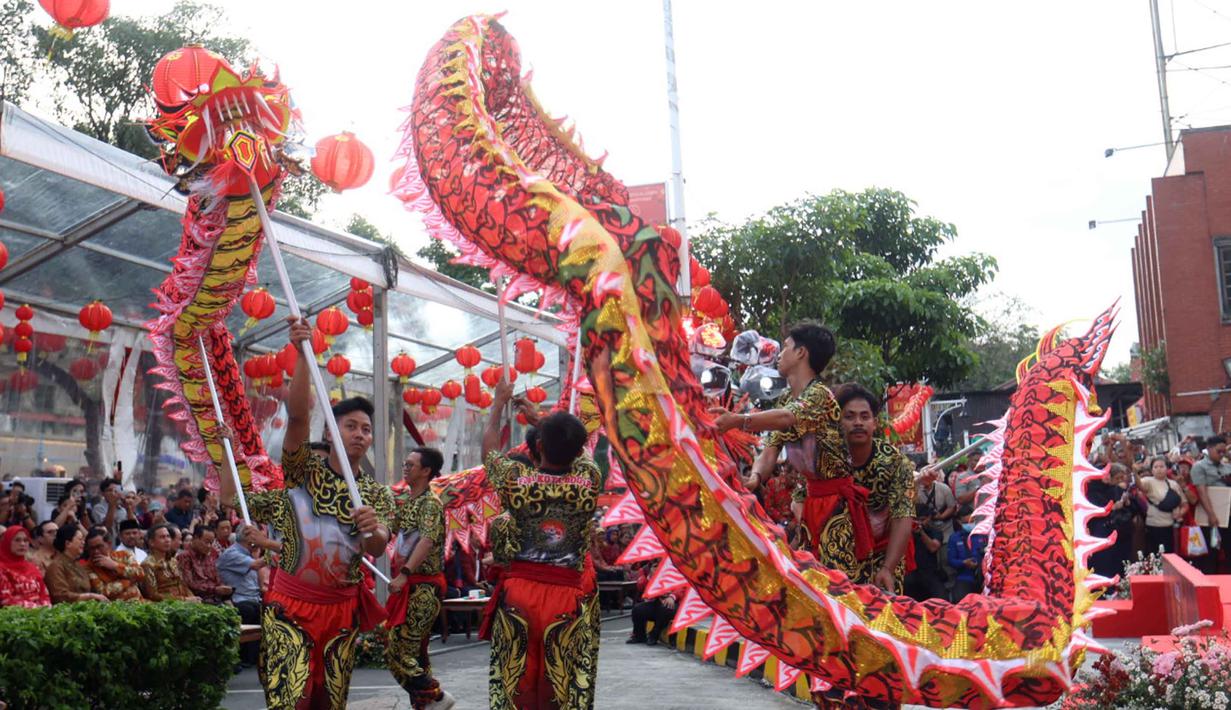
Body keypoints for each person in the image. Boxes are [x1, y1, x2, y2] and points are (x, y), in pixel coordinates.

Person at [217, 316, 393, 710]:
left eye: (366, 429)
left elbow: (379, 547)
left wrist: (373, 530)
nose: (360, 434)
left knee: (329, 703)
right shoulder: (303, 475)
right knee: (288, 700)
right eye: (351, 426)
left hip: (341, 611)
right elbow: (296, 419)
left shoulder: (375, 494)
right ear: (331, 432)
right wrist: (300, 353)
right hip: (290, 607)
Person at [481, 377, 601, 710]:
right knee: (562, 685)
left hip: (519, 591)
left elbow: (489, 451)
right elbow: (582, 451)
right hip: (566, 595)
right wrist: (540, 421)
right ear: (578, 451)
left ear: (540, 447)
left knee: (512, 680)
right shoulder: (589, 481)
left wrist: (497, 405)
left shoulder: (517, 481)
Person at [709, 322, 861, 576]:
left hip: (838, 509)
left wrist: (737, 420)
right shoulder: (785, 399)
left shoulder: (820, 395)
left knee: (837, 587)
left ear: (801, 353)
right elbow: (771, 449)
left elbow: (787, 419)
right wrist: (755, 477)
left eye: (787, 347)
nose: (780, 354)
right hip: (809, 504)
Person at [384, 447, 454, 710]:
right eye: (405, 463)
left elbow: (426, 540)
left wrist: (404, 574)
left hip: (423, 587)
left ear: (426, 471)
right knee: (415, 654)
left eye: (411, 464)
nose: (405, 467)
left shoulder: (430, 503)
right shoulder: (410, 501)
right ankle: (424, 706)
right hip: (410, 587)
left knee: (398, 652)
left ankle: (436, 696)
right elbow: (389, 532)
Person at [830, 384, 915, 592]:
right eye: (849, 417)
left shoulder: (896, 462)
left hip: (884, 554)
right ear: (838, 421)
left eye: (864, 416)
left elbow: (903, 515)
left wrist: (888, 568)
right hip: (835, 554)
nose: (858, 422)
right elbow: (802, 500)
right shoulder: (827, 460)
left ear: (874, 423)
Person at [217, 523, 266, 667]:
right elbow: (257, 565)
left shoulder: (248, 554)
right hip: (237, 599)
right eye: (256, 534)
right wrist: (273, 550)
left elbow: (259, 581)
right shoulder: (232, 553)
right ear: (248, 536)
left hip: (252, 597)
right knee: (251, 609)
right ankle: (244, 658)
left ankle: (254, 657)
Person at [1086, 463, 1135, 579]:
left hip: (1117, 533)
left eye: (1108, 474)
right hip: (1099, 533)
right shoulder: (1090, 491)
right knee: (1103, 563)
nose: (1107, 476)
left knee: (1117, 563)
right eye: (1104, 474)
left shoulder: (1114, 489)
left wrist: (1127, 503)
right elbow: (1094, 511)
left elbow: (1132, 510)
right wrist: (1112, 508)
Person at [1189, 436, 1230, 573]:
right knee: (1210, 556)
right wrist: (1211, 515)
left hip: (1227, 515)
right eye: (1219, 451)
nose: (1222, 454)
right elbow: (1202, 492)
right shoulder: (1199, 467)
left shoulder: (1227, 467)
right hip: (1209, 518)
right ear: (1209, 449)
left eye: (1224, 451)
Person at [45, 523, 107, 603]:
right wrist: (90, 596)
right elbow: (60, 596)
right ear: (68, 543)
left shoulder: (78, 565)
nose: (83, 542)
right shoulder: (56, 566)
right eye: (80, 539)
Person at [1138, 456, 1187, 554]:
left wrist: (1180, 513)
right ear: (1151, 470)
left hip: (1171, 526)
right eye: (1155, 467)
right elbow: (1139, 485)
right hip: (1154, 526)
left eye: (1161, 466)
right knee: (1155, 555)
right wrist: (1134, 473)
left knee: (1171, 555)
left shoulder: (1174, 484)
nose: (1159, 469)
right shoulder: (1148, 481)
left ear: (1167, 468)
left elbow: (1184, 504)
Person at [84, 528, 146, 601]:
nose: (96, 551)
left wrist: (115, 566)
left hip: (139, 602)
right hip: (116, 607)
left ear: (109, 544)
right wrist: (129, 580)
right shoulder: (88, 567)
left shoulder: (125, 554)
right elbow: (103, 591)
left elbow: (141, 574)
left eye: (99, 546)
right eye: (92, 548)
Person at [625, 560, 678, 646]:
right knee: (638, 609)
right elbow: (640, 587)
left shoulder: (676, 566)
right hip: (655, 601)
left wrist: (672, 597)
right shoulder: (645, 569)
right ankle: (639, 636)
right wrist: (651, 577)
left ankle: (654, 635)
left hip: (673, 601)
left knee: (666, 608)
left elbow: (683, 586)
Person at [177, 524, 232, 604]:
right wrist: (214, 589)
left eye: (211, 543)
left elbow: (217, 579)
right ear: (195, 538)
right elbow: (190, 584)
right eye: (206, 542)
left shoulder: (209, 557)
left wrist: (223, 589)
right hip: (199, 600)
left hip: (216, 598)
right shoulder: (184, 557)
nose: (209, 546)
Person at [142, 523, 198, 601]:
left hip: (185, 603)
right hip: (166, 607)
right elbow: (153, 595)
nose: (167, 540)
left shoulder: (173, 561)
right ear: (151, 542)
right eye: (162, 537)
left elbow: (183, 585)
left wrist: (194, 598)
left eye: (168, 536)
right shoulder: (147, 565)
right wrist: (184, 600)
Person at [0, 526, 50, 607]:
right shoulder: (2, 568)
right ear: (7, 542)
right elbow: (6, 600)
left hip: (41, 614)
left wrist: (46, 606)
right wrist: (36, 608)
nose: (22, 544)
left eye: (25, 540)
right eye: (17, 540)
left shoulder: (32, 567)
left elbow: (44, 594)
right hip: (16, 616)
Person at [946, 514, 985, 602]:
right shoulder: (954, 538)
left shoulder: (981, 535)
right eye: (966, 522)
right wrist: (963, 562)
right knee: (961, 601)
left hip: (982, 577)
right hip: (964, 577)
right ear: (960, 522)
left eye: (971, 521)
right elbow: (951, 560)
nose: (969, 524)